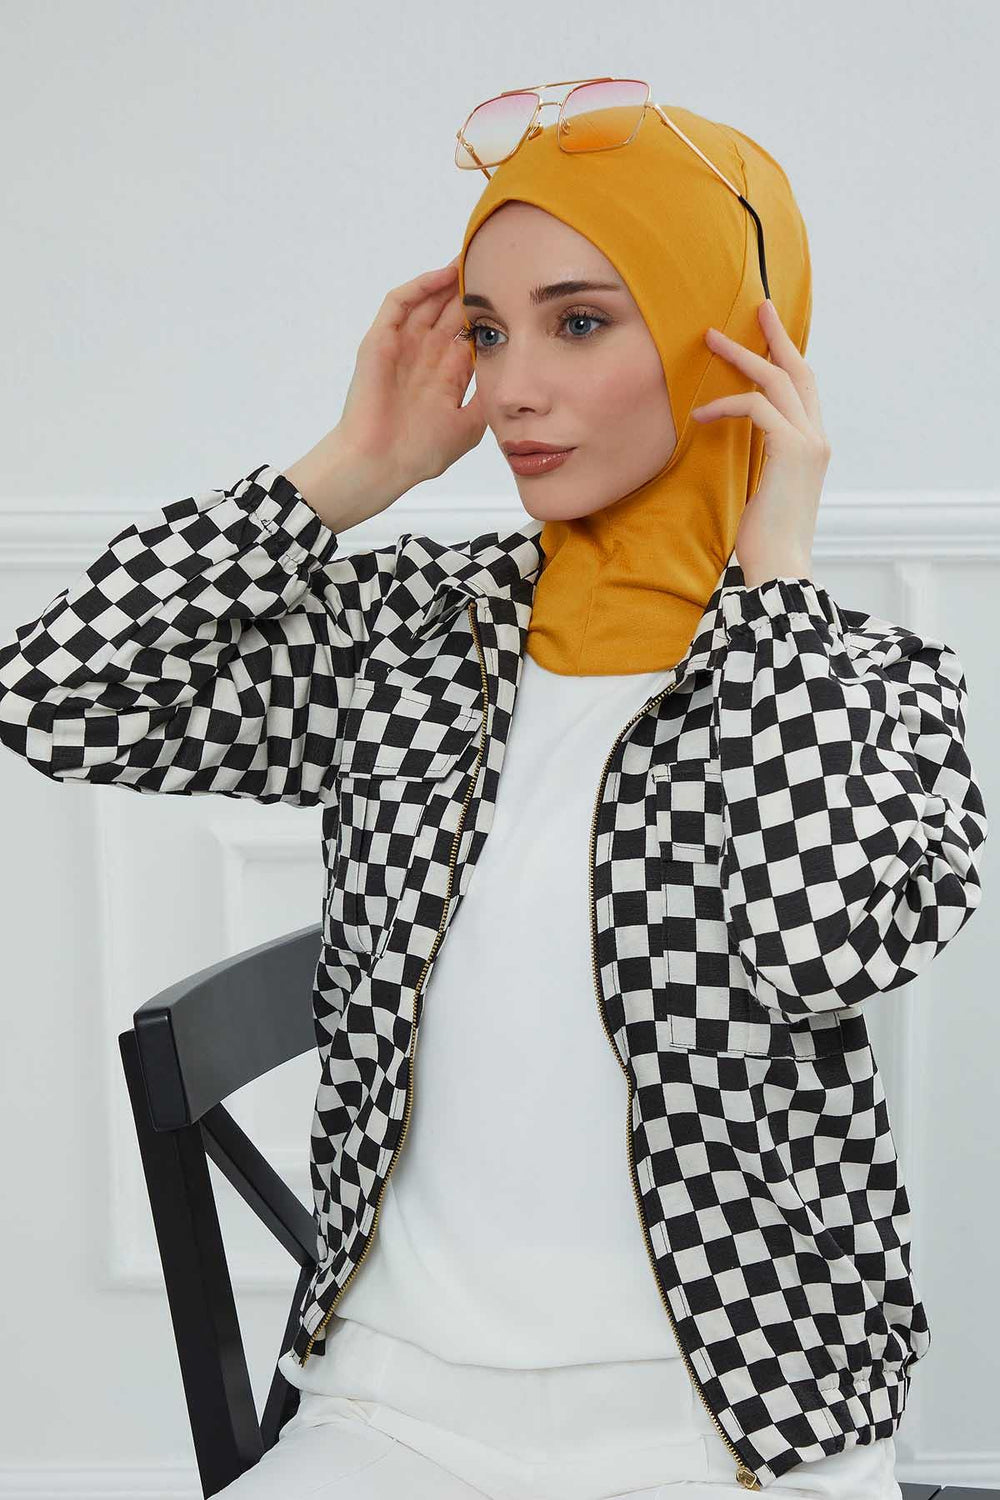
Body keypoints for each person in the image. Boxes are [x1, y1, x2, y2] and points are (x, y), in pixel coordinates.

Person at [0, 90, 987, 1500]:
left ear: (732, 339)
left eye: (577, 323)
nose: (512, 385)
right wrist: (348, 474)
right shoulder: (416, 641)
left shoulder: (871, 684)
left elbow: (826, 951)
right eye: (485, 330)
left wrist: (774, 587)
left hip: (748, 1430)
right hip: (391, 1415)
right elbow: (51, 695)